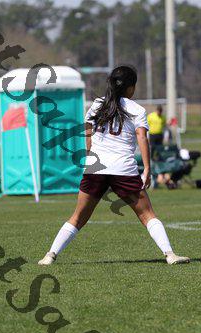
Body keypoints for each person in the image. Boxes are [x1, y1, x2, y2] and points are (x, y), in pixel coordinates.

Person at [38, 66, 190, 266]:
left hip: (96, 169)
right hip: (123, 170)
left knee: (78, 217)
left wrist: (90, 155)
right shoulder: (137, 109)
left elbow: (88, 131)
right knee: (147, 215)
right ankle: (170, 254)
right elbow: (142, 138)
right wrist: (147, 169)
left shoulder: (97, 104)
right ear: (131, 87)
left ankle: (50, 255)